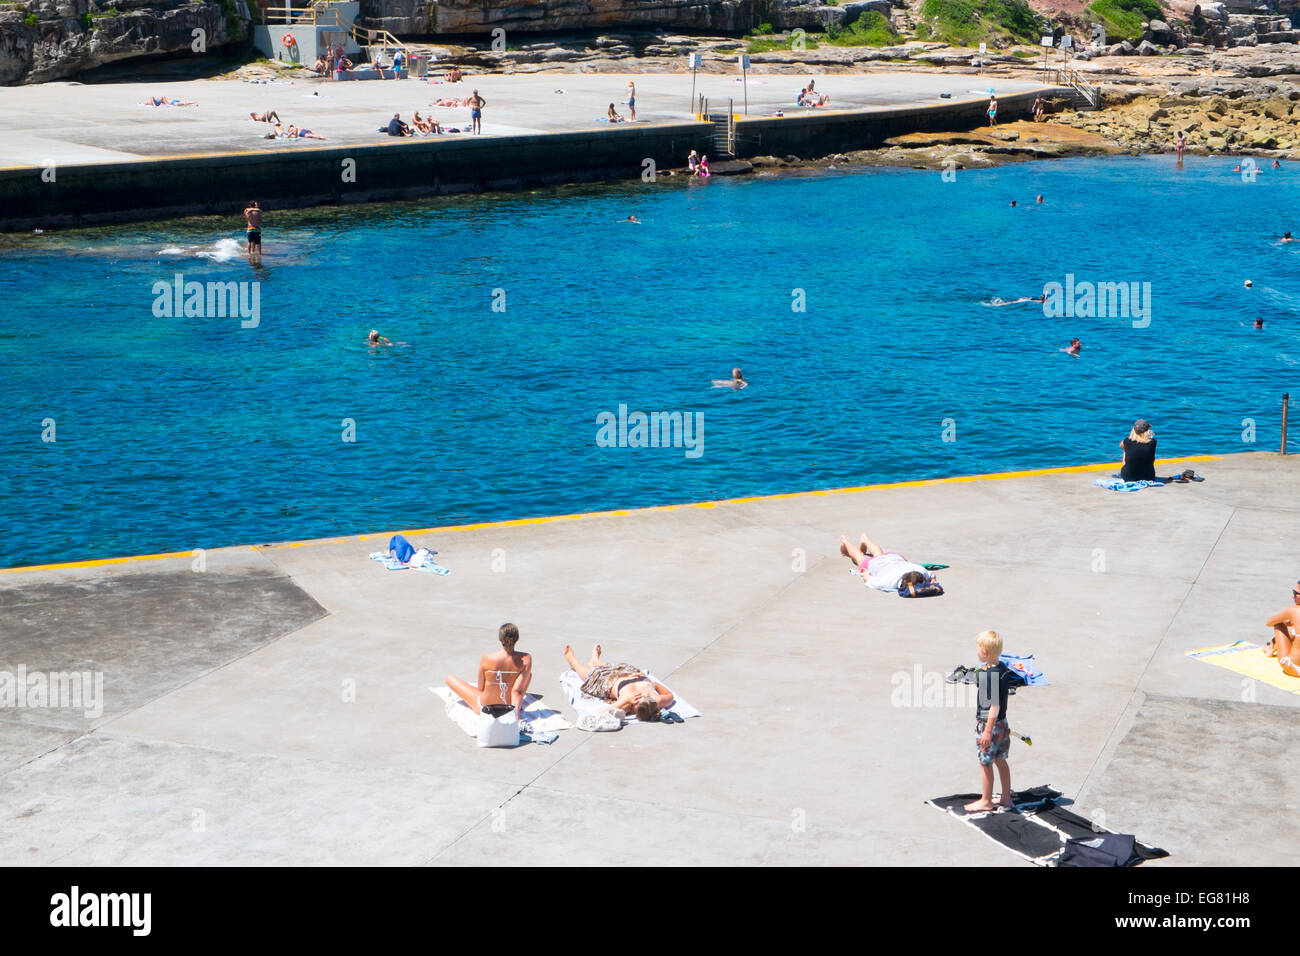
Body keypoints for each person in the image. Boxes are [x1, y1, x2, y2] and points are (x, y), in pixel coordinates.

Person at [963, 630, 1014, 812]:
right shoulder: (1002, 669)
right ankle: (1006, 798)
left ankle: (986, 800)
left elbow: (993, 706)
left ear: (984, 652)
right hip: (1002, 725)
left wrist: (986, 731)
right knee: (1000, 760)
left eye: (977, 648)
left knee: (985, 763)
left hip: (989, 725)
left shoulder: (988, 676)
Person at [445, 623, 534, 724]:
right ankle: (513, 706)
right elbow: (517, 691)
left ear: (500, 639)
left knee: (450, 678)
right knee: (528, 675)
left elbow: (481, 688)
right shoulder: (526, 658)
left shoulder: (487, 658)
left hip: (485, 707)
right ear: (517, 638)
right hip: (510, 706)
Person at [563, 643, 673, 722]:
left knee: (592, 675)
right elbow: (669, 695)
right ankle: (596, 661)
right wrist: (653, 682)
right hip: (631, 673)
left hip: (610, 682)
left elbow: (600, 714)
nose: (637, 700)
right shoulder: (657, 700)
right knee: (616, 668)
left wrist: (623, 701)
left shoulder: (628, 703)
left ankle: (575, 663)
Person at [839, 532, 941, 597]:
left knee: (879, 554)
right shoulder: (887, 582)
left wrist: (932, 580)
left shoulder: (920, 570)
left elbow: (932, 576)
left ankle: (865, 539)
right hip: (878, 564)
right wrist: (864, 573)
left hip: (896, 558)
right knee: (859, 558)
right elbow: (867, 578)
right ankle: (845, 541)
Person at [1264, 585, 1300, 678]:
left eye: (1296, 593)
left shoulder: (1293, 611)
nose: (1293, 596)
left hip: (1295, 669)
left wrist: (1286, 620)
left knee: (1279, 624)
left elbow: (1269, 622)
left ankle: (1272, 647)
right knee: (1294, 632)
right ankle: (1273, 645)